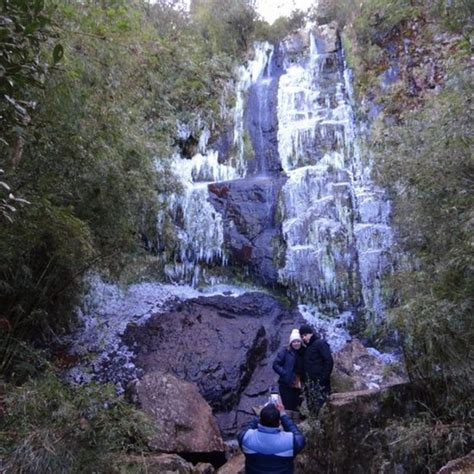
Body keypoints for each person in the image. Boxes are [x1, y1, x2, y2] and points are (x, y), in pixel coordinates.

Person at [238, 402, 305, 474]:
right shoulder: (290, 441)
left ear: (260, 421)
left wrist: (259, 415)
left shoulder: (246, 438)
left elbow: (245, 429)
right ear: (279, 423)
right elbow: (299, 436)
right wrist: (283, 415)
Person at [299, 324, 334, 415]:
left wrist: (323, 378)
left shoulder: (320, 343)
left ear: (311, 333)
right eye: (302, 336)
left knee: (322, 409)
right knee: (313, 409)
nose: (304, 338)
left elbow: (329, 361)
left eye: (305, 335)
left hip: (320, 384)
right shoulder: (308, 348)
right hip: (310, 385)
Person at [272, 329, 304, 412]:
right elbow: (275, 364)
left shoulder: (303, 352)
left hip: (299, 383)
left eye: (298, 341)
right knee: (287, 406)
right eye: (294, 341)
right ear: (290, 343)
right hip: (286, 383)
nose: (296, 343)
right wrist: (284, 373)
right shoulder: (285, 351)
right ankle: (287, 421)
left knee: (297, 405)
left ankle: (295, 423)